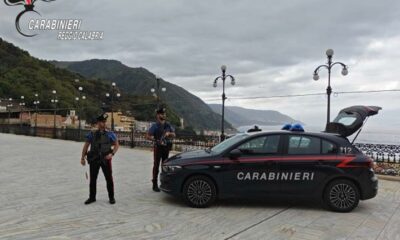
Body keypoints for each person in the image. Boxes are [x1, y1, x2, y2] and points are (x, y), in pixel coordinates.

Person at [80, 113, 119, 204]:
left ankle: (111, 197)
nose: (104, 123)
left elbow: (117, 144)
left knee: (109, 178)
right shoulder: (92, 133)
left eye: (105, 122)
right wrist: (82, 158)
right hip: (94, 159)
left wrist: (112, 154)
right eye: (102, 122)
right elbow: (86, 146)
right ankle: (92, 197)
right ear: (98, 123)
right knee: (93, 179)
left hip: (106, 159)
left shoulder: (110, 134)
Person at [146, 107, 175, 192]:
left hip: (166, 147)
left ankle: (164, 183)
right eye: (162, 114)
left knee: (165, 166)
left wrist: (169, 133)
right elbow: (147, 136)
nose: (164, 115)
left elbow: (174, 134)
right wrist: (155, 140)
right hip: (158, 147)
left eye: (164, 114)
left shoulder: (168, 125)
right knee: (156, 166)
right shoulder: (154, 126)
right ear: (158, 115)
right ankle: (154, 184)